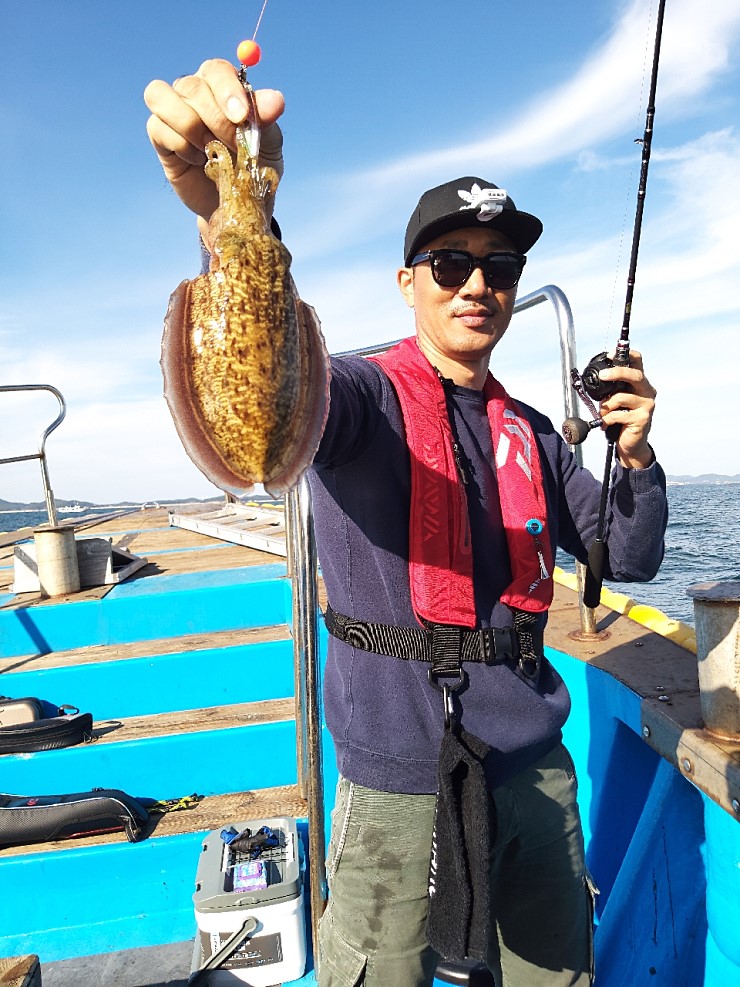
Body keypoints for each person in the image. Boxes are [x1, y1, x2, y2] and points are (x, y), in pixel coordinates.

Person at [145, 60, 667, 987]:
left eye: (500, 267)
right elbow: (276, 380)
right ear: (407, 281)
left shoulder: (533, 436)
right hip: (394, 774)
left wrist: (633, 457)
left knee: (556, 972)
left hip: (534, 767)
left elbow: (628, 553)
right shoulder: (358, 398)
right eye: (451, 263)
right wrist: (227, 218)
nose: (478, 285)